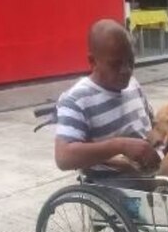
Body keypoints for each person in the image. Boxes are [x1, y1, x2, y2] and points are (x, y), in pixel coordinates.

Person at [54, 18, 160, 178]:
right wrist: (120, 145)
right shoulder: (76, 100)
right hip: (114, 182)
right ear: (93, 62)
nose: (126, 70)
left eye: (130, 62)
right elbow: (64, 158)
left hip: (149, 170)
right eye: (115, 64)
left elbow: (152, 124)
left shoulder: (133, 84)